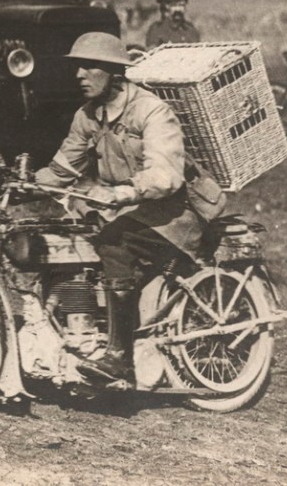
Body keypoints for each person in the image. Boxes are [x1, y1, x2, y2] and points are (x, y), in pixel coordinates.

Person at [35, 31, 224, 386]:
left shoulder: (152, 111)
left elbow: (166, 175)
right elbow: (60, 171)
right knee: (66, 235)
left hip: (176, 214)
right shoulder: (87, 116)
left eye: (90, 66)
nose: (79, 74)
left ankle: (120, 358)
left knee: (113, 244)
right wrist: (21, 184)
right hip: (134, 212)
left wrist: (122, 193)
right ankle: (77, 329)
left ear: (114, 73)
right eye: (78, 66)